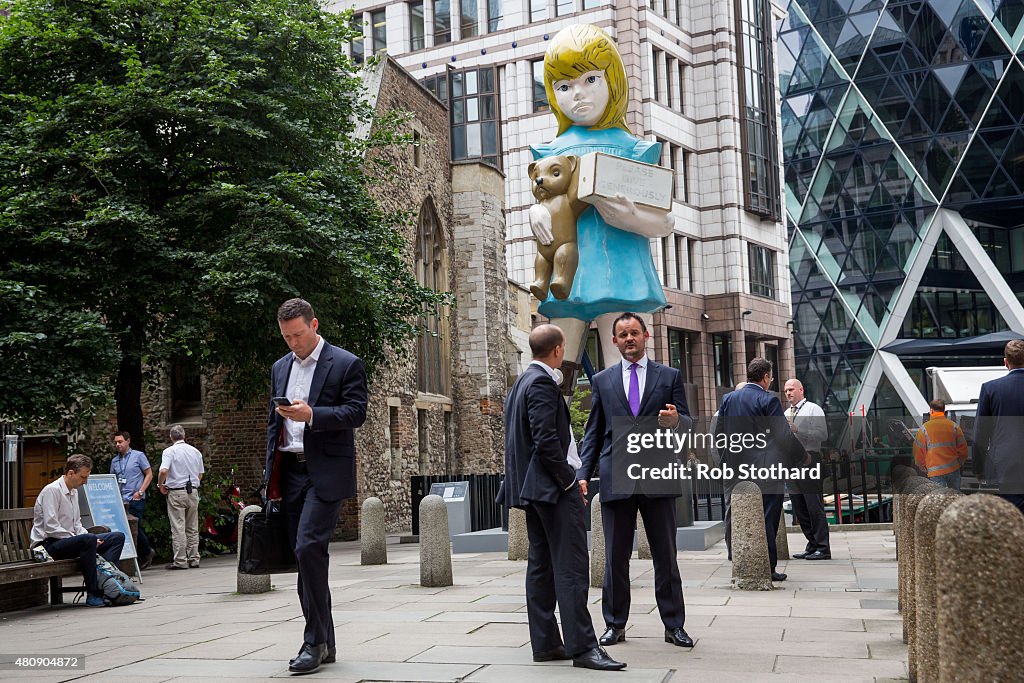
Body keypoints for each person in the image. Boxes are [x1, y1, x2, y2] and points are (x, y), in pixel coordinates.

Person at [531, 24, 675, 378]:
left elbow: (665, 222)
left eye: (590, 80)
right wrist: (535, 211)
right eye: (564, 86)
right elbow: (542, 196)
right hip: (568, 275)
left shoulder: (635, 149)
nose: (578, 95)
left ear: (612, 80)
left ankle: (625, 434)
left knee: (624, 372)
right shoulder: (550, 152)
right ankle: (557, 434)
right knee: (554, 374)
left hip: (620, 274)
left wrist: (630, 216)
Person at [501, 324, 625, 671]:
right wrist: (570, 481)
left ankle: (546, 644)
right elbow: (546, 442)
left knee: (541, 568)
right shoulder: (541, 382)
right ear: (558, 349)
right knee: (571, 570)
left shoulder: (521, 383)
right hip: (552, 492)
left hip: (535, 491)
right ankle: (584, 648)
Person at [577, 313, 694, 649]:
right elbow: (594, 434)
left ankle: (674, 626)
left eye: (634, 333)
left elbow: (685, 423)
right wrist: (583, 474)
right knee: (615, 559)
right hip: (618, 480)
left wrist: (676, 422)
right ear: (614, 341)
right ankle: (615, 625)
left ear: (646, 336)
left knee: (666, 557)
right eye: (622, 334)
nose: (629, 339)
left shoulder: (669, 376)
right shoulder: (602, 380)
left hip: (658, 477)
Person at [265, 298, 368, 674]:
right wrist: (269, 476)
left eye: (297, 334)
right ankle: (327, 641)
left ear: (314, 325)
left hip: (325, 472)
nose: (292, 343)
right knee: (305, 558)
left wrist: (312, 415)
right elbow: (272, 425)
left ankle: (314, 641)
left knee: (309, 547)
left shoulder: (345, 363)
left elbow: (357, 412)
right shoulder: (279, 368)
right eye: (286, 337)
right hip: (289, 471)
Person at [717, 359, 806, 582]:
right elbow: (782, 434)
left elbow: (720, 434)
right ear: (765, 377)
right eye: (771, 378)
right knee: (768, 518)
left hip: (737, 469)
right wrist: (801, 455)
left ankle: (744, 564)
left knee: (741, 518)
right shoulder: (768, 400)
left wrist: (725, 462)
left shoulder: (728, 399)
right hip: (766, 470)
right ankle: (767, 567)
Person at [30, 454, 125, 607]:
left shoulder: (73, 492)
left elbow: (77, 524)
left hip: (69, 541)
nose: (85, 482)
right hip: (48, 545)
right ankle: (93, 593)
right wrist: (85, 539)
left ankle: (108, 586)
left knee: (117, 537)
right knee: (88, 540)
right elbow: (51, 527)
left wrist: (90, 537)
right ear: (71, 473)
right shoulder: (52, 491)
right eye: (83, 477)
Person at [973, 339, 1024, 514]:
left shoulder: (990, 389)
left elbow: (980, 434)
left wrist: (979, 468)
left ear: (1005, 362)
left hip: (1004, 466)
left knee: (1008, 519)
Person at [783, 379, 831, 560]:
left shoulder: (813, 409)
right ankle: (812, 544)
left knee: (813, 505)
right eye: (786, 390)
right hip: (792, 462)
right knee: (799, 506)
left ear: (801, 390)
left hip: (810, 459)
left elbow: (823, 435)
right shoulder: (786, 413)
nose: (788, 393)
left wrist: (798, 430)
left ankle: (823, 547)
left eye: (791, 389)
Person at [157, 424, 204, 570]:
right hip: (193, 491)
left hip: (176, 492)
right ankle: (194, 558)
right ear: (184, 436)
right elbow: (200, 473)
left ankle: (180, 560)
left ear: (171, 437)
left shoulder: (169, 451)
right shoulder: (195, 452)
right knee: (192, 527)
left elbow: (164, 470)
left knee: (178, 527)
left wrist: (160, 484)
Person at [110, 431, 155, 569]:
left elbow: (149, 474)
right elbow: (112, 479)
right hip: (121, 500)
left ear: (128, 441)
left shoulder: (138, 456)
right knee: (124, 528)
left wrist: (140, 491)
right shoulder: (114, 461)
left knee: (134, 526)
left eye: (120, 442)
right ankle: (131, 558)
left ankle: (146, 552)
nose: (118, 445)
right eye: (116, 442)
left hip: (135, 498)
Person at [913, 398, 967, 491]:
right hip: (953, 469)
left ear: (931, 410)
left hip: (935, 472)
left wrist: (922, 466)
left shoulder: (924, 429)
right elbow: (963, 449)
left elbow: (918, 451)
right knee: (955, 499)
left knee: (939, 501)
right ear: (944, 411)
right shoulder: (954, 426)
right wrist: (959, 463)